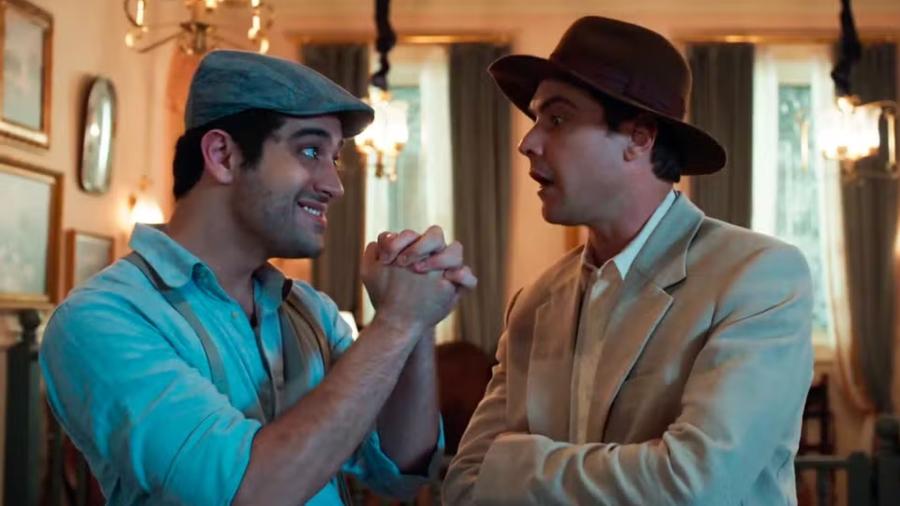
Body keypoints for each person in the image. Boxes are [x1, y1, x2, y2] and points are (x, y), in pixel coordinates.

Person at [40, 49, 476, 506]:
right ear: (222, 155)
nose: (335, 185)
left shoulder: (311, 311)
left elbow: (399, 470)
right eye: (311, 151)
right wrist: (397, 321)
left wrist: (417, 313)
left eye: (335, 158)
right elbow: (250, 494)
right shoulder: (101, 319)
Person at [442, 16, 813, 505]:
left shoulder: (758, 276)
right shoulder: (533, 303)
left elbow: (695, 485)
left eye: (557, 119)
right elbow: (464, 486)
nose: (528, 142)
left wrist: (515, 464)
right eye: (535, 120)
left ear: (639, 137)